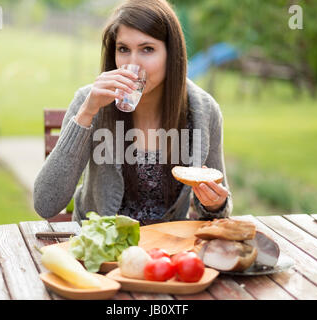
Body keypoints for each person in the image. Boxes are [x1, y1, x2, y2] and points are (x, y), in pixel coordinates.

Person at [33, 0, 233, 225]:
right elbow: (45, 203)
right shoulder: (90, 102)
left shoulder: (203, 111)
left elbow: (215, 212)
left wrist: (215, 203)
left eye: (147, 49)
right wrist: (86, 113)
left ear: (171, 53)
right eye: (123, 49)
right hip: (100, 244)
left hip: (166, 248)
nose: (132, 64)